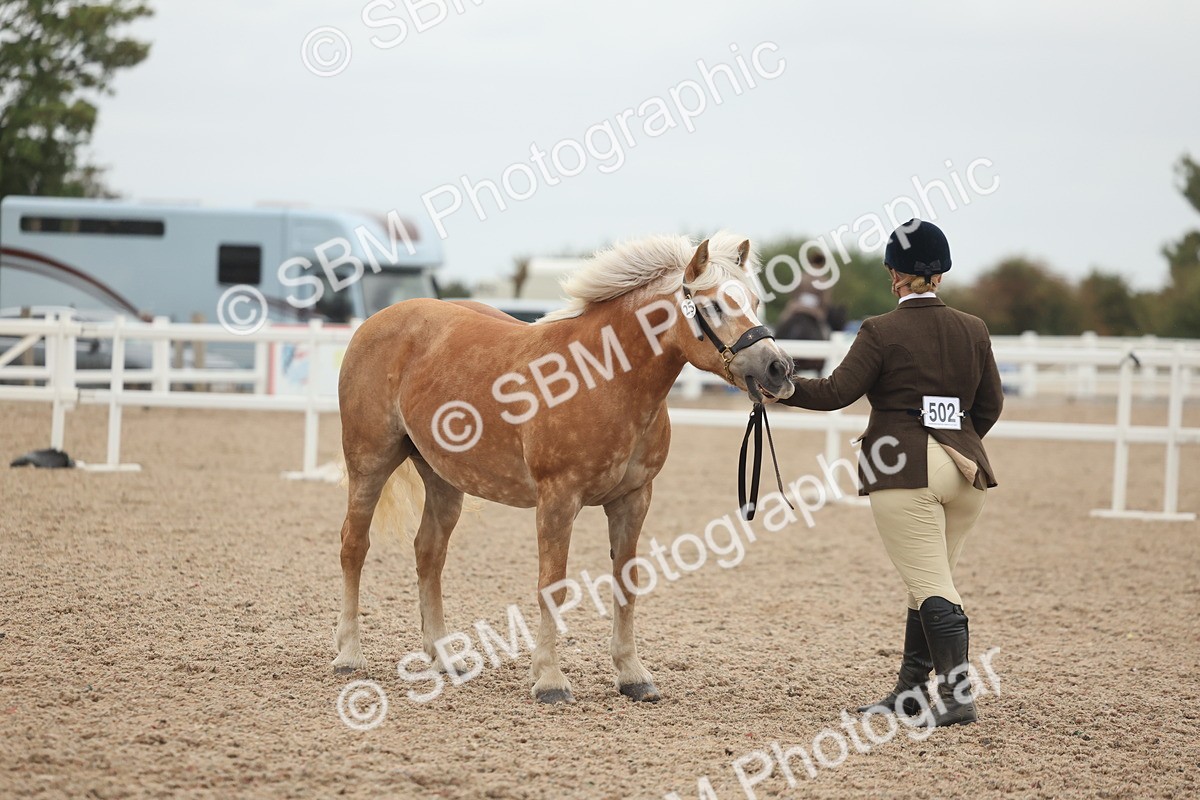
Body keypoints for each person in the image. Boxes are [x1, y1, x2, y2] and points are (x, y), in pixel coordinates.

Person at [778, 219, 1003, 727]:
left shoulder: (881, 329)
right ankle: (910, 691)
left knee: (931, 585)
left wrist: (783, 387)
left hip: (905, 471)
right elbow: (990, 405)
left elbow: (836, 392)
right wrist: (959, 441)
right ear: (940, 275)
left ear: (894, 275)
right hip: (967, 475)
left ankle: (958, 696)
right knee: (925, 581)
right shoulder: (974, 328)